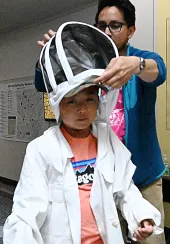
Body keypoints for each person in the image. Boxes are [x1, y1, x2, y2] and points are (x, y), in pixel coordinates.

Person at [3, 22, 162, 244]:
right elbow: (26, 211)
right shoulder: (41, 149)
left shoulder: (107, 140)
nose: (82, 109)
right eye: (72, 102)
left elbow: (125, 190)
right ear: (58, 106)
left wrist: (140, 216)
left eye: (89, 99)